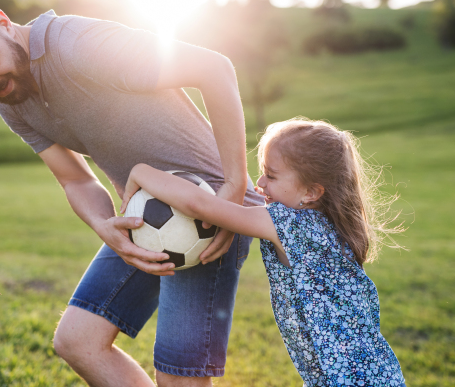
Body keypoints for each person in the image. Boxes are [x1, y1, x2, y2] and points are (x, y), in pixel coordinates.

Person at [0, 0, 263, 386]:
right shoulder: (10, 97)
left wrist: (232, 189)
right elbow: (74, 177)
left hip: (207, 208)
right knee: (78, 341)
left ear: (3, 22)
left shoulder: (77, 45)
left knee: (179, 378)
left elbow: (214, 67)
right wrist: (104, 224)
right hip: (145, 216)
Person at [121, 118, 406, 386]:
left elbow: (201, 207)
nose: (260, 184)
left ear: (311, 192)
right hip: (368, 374)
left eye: (270, 175)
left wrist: (140, 172)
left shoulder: (292, 223)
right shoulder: (323, 223)